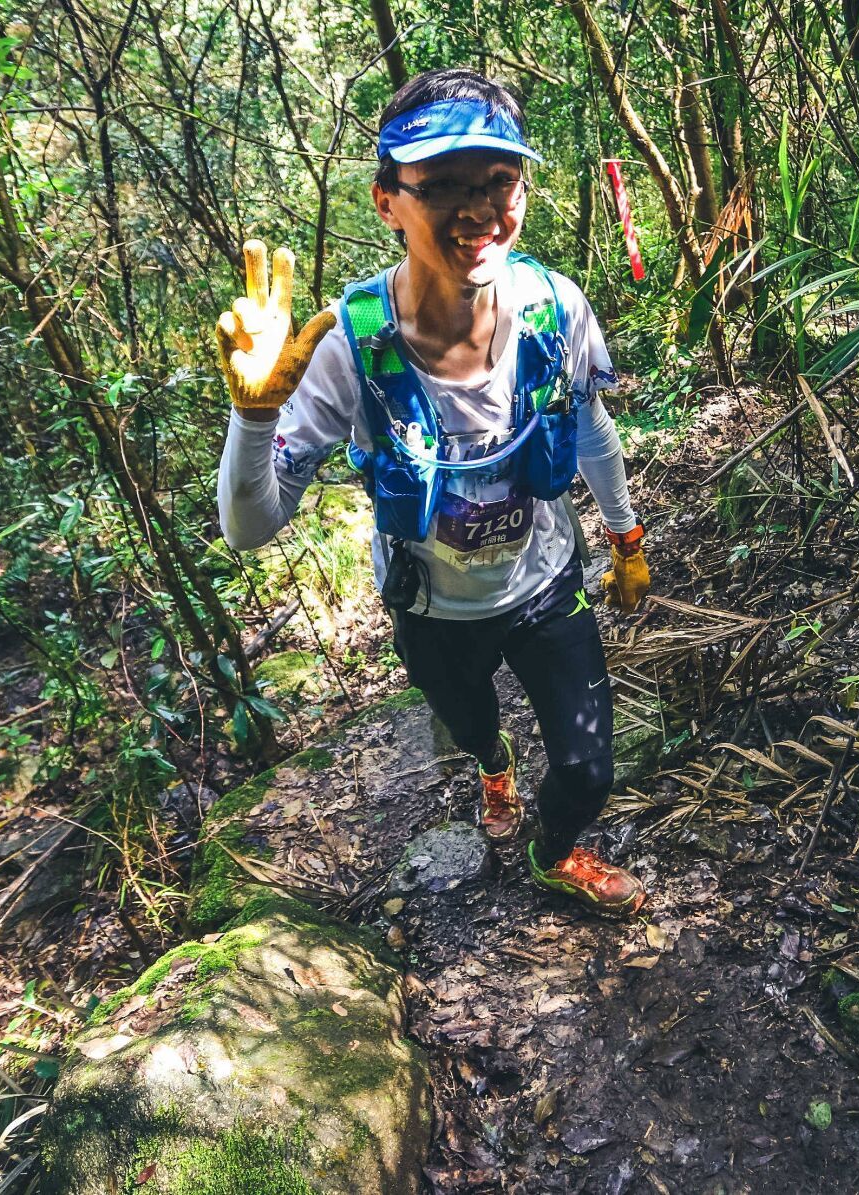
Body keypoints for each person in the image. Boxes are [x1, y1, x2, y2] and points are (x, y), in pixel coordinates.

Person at [215, 67, 651, 916]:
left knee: (590, 768)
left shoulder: (554, 308)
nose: (480, 211)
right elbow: (249, 527)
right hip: (432, 608)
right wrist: (254, 416)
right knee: (473, 721)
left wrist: (626, 538)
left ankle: (550, 852)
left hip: (544, 583)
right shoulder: (349, 345)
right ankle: (494, 766)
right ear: (388, 201)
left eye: (499, 182)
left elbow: (591, 427)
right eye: (445, 185)